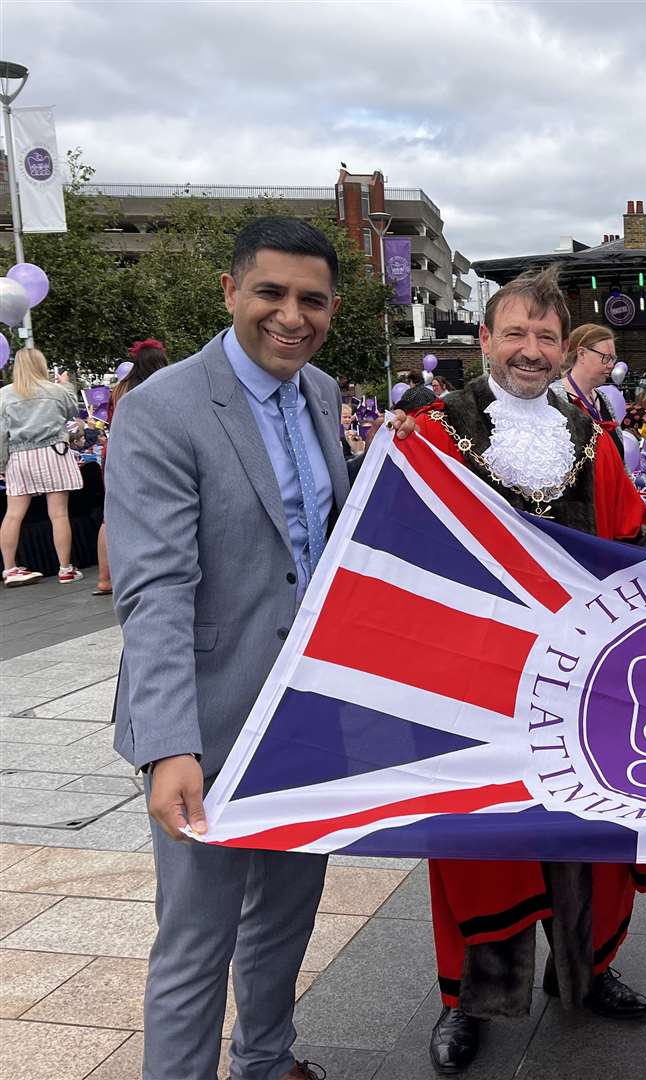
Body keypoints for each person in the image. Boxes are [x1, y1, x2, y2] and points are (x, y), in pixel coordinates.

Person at [409, 266, 646, 1076]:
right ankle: (469, 999)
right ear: (483, 339)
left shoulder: (592, 440)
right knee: (477, 843)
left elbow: (626, 536)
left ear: (565, 351)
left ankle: (585, 973)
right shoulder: (429, 434)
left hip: (576, 682)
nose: (531, 350)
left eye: (546, 337)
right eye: (515, 333)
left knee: (587, 831)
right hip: (471, 681)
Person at [106, 218, 356, 1080]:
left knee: (287, 914)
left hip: (305, 715)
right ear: (230, 292)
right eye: (272, 294)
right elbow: (155, 590)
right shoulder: (161, 409)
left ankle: (266, 1059)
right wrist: (171, 743)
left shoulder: (321, 393)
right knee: (196, 940)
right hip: (205, 715)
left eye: (312, 300)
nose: (292, 316)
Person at [0, 347, 86, 587]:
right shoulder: (56, 391)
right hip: (53, 452)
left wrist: (1, 463)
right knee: (58, 514)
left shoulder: (5, 394)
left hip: (20, 456)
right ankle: (65, 569)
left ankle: (10, 569)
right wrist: (66, 384)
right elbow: (72, 412)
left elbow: (1, 434)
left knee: (13, 514)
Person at [93, 340, 171, 595]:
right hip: (152, 450)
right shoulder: (163, 385)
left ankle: (105, 578)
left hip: (115, 450)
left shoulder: (121, 388)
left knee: (112, 514)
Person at [561, 322, 623, 451]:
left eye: (613, 359)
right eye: (606, 358)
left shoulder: (602, 398)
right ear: (582, 354)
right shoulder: (554, 398)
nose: (611, 365)